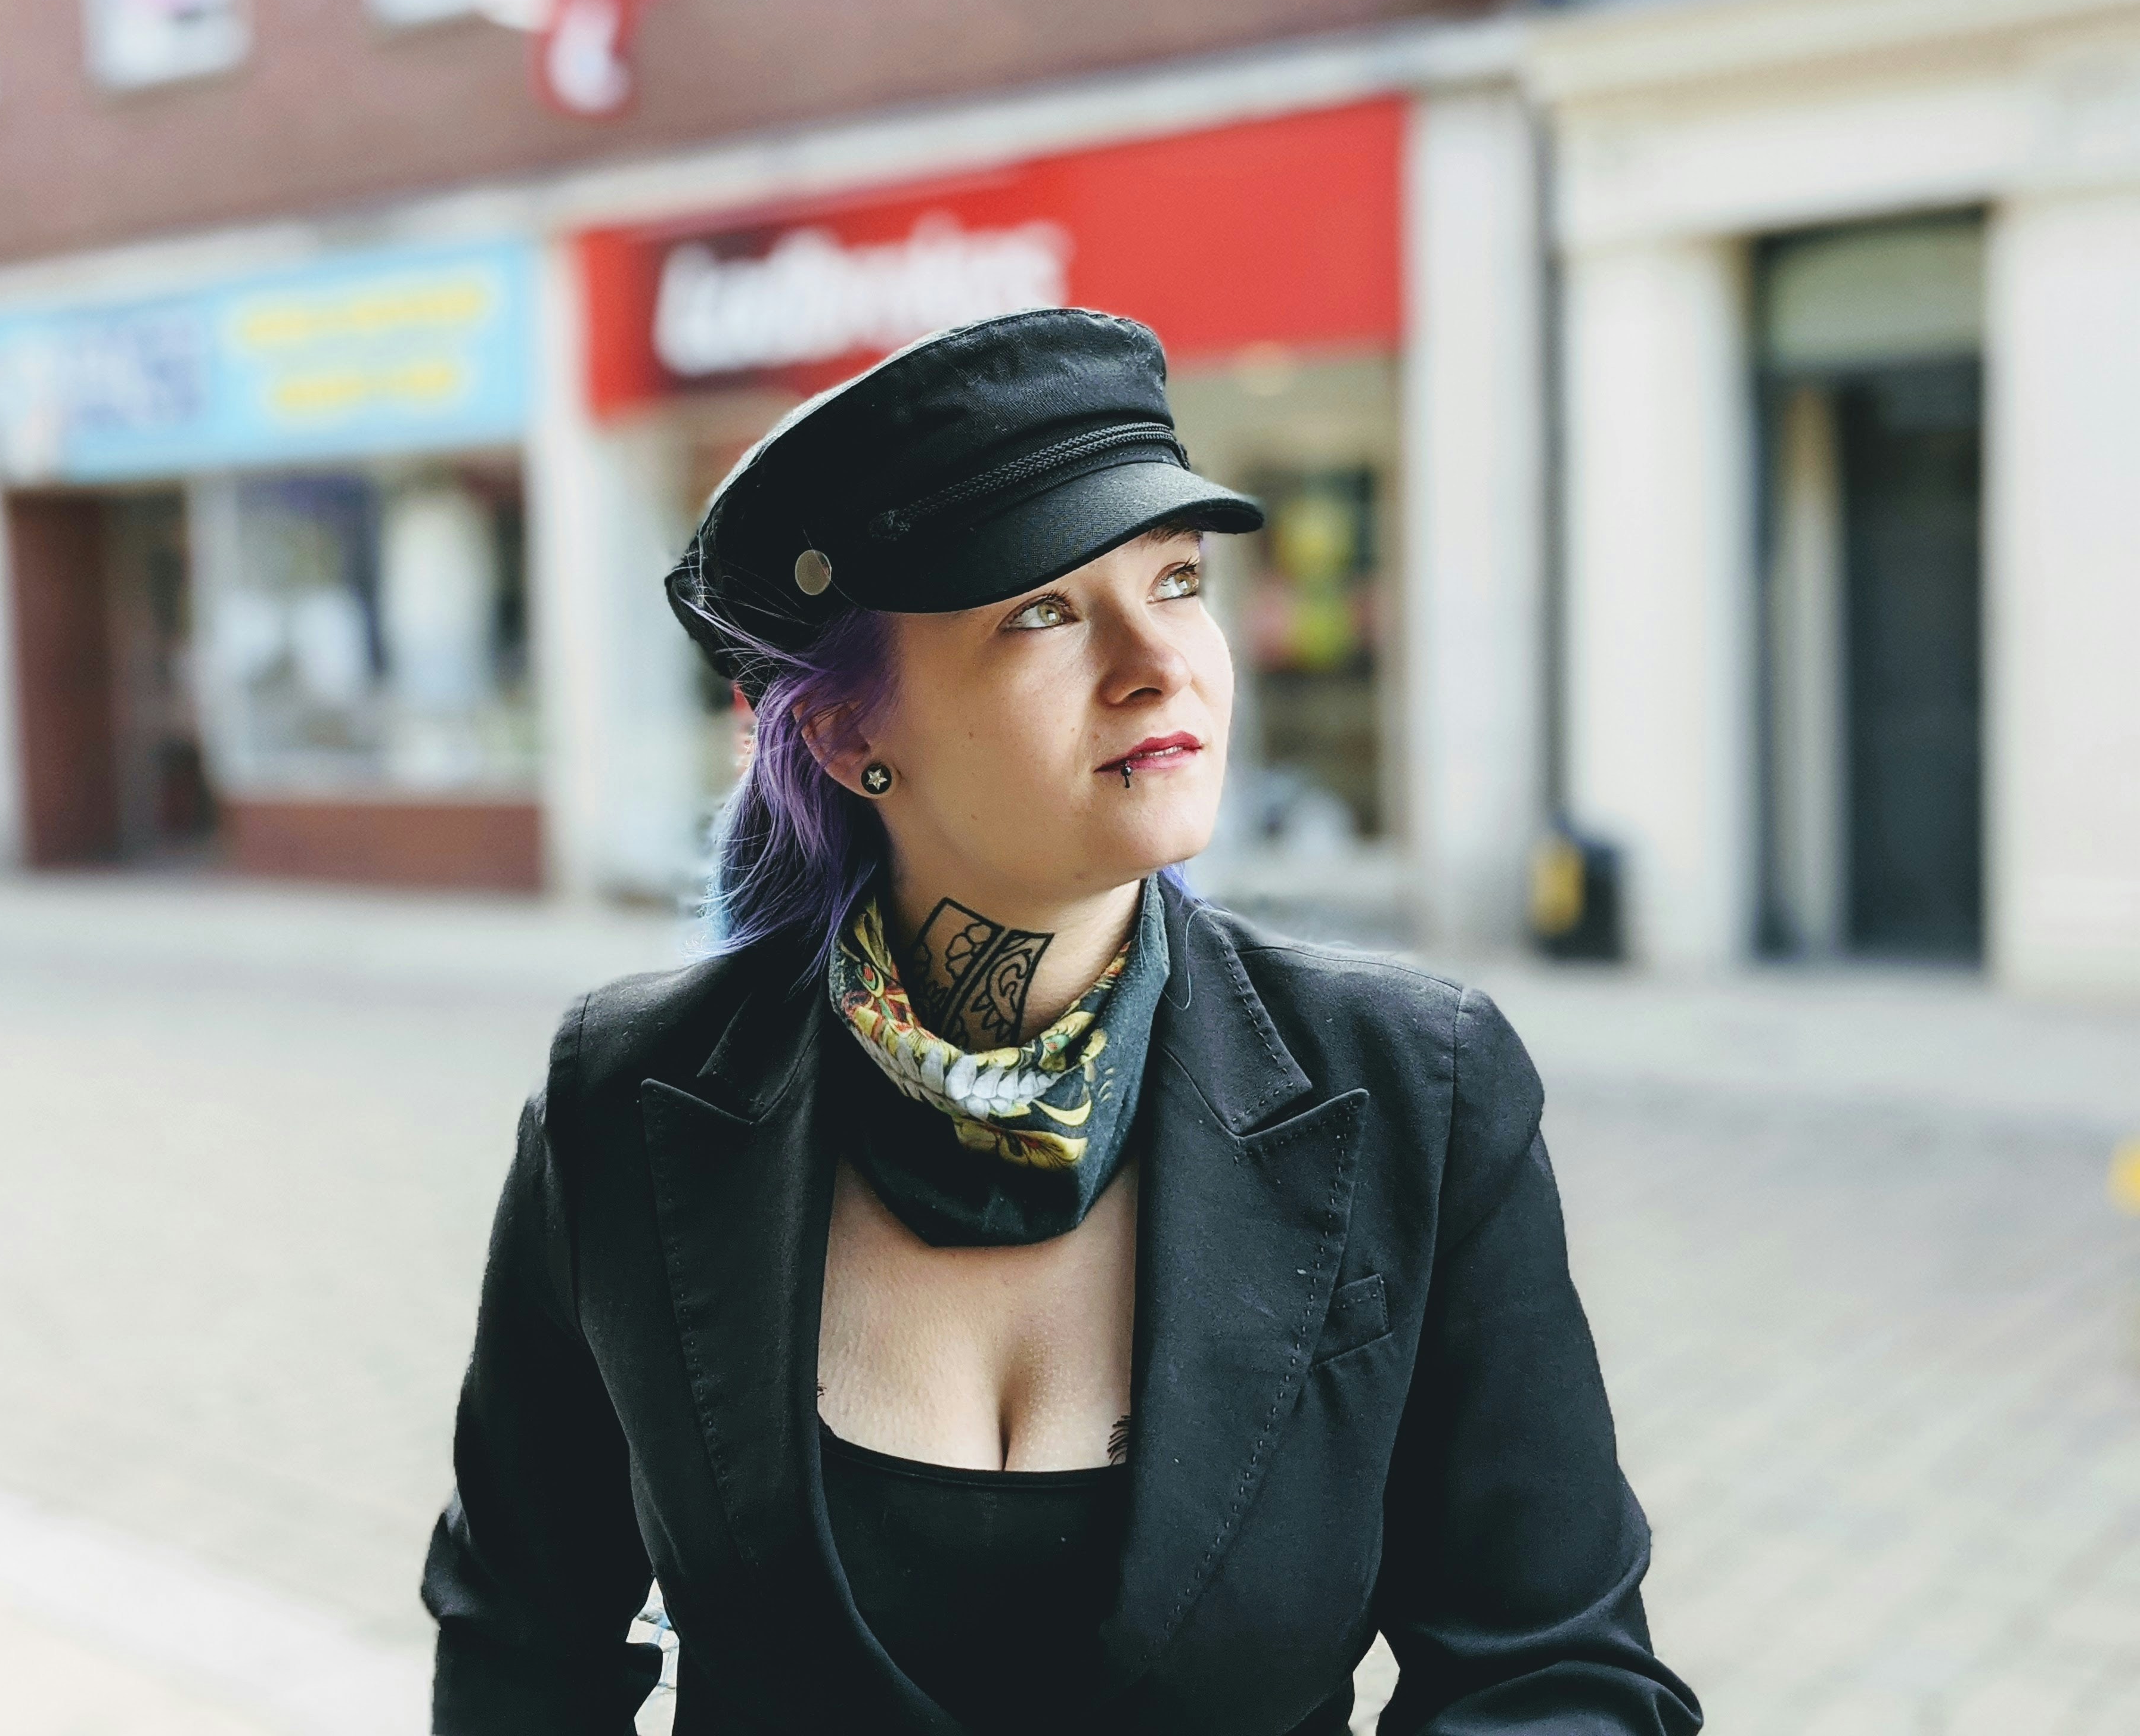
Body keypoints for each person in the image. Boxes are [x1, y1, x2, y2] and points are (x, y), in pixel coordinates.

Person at [421, 308, 1702, 1735]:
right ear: (850, 735)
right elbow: (521, 1645)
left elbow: (1553, 1674)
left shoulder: (1416, 1089)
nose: (1161, 662)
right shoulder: (630, 1097)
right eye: (1042, 610)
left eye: (1178, 579)